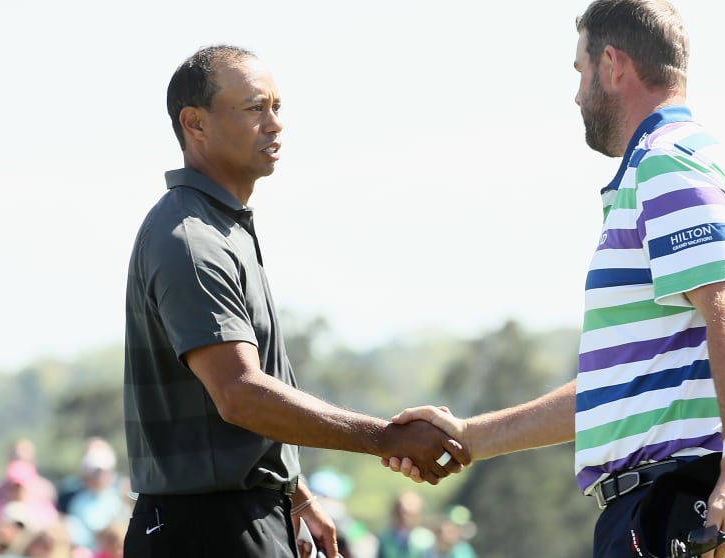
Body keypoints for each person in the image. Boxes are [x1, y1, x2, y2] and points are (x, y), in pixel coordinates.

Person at [386, 1, 725, 557]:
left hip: (683, 503)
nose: (576, 94)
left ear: (613, 64)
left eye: (580, 70)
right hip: (663, 505)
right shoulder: (665, 164)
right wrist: (472, 436)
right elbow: (617, 388)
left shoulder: (666, 163)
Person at [123, 44, 469, 558]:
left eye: (277, 108)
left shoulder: (220, 225)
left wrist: (295, 493)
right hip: (207, 529)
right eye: (253, 108)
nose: (274, 124)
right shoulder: (191, 238)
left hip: (234, 516)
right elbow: (240, 393)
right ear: (195, 123)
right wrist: (385, 438)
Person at [376, 491, 434, 558]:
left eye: (411, 513)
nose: (406, 516)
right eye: (404, 511)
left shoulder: (426, 538)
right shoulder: (384, 538)